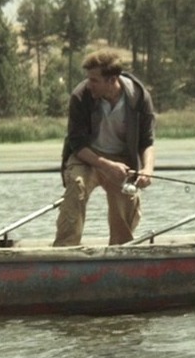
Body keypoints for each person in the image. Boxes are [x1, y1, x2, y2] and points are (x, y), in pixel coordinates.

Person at [53, 50, 156, 247]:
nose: (88, 84)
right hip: (86, 157)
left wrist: (148, 170)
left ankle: (119, 251)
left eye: (94, 80)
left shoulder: (139, 97)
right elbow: (78, 144)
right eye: (88, 79)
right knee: (77, 185)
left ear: (112, 80)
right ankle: (65, 250)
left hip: (121, 160)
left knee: (125, 202)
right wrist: (106, 165)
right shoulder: (80, 97)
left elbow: (147, 141)